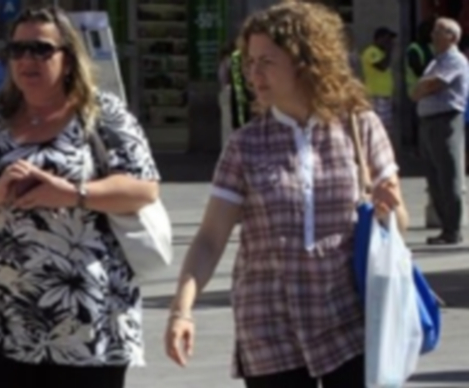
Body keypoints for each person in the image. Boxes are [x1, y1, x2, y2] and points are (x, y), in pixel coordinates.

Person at [164, 2, 408, 387]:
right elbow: (211, 238)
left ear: (306, 61)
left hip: (347, 323)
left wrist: (387, 207)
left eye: (267, 62)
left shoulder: (359, 127)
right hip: (268, 330)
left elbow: (398, 224)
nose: (253, 74)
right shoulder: (245, 145)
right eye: (250, 62)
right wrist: (181, 310)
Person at [0, 7, 159, 388]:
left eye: (40, 49)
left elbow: (144, 188)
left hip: (85, 318)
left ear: (68, 58)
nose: (26, 60)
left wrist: (72, 193)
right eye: (16, 50)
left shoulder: (102, 115)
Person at [412, 17, 469, 245]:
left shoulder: (455, 60)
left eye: (439, 31)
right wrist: (421, 88)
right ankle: (445, 228)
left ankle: (452, 229)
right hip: (429, 122)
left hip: (446, 121)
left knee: (448, 175)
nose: (433, 35)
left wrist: (422, 87)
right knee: (434, 177)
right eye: (434, 31)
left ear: (452, 37)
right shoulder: (436, 61)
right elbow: (418, 89)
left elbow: (433, 84)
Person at [361, 26, 397, 133]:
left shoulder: (383, 54)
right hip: (375, 95)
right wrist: (389, 51)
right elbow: (382, 67)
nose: (389, 42)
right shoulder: (371, 52)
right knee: (378, 127)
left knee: (386, 127)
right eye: (387, 39)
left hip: (385, 95)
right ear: (378, 39)